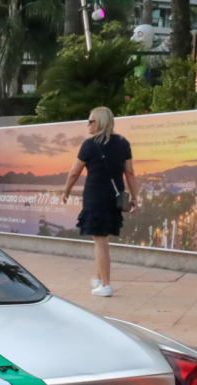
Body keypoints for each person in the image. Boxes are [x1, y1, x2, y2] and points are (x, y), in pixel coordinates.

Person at [61, 107, 139, 297]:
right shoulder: (123, 143)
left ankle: (105, 285)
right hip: (114, 198)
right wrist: (134, 195)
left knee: (100, 240)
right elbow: (129, 172)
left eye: (91, 121)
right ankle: (98, 279)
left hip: (95, 197)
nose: (88, 124)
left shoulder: (89, 144)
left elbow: (74, 172)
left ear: (101, 122)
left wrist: (66, 190)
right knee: (102, 238)